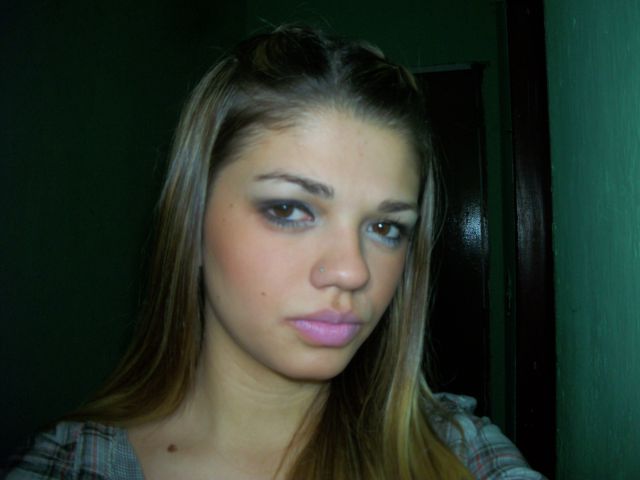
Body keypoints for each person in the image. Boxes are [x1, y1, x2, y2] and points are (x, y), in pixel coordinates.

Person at [3, 25, 545, 479]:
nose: (352, 271)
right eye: (289, 209)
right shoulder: (73, 465)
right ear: (192, 221)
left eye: (385, 227)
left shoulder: (459, 452)